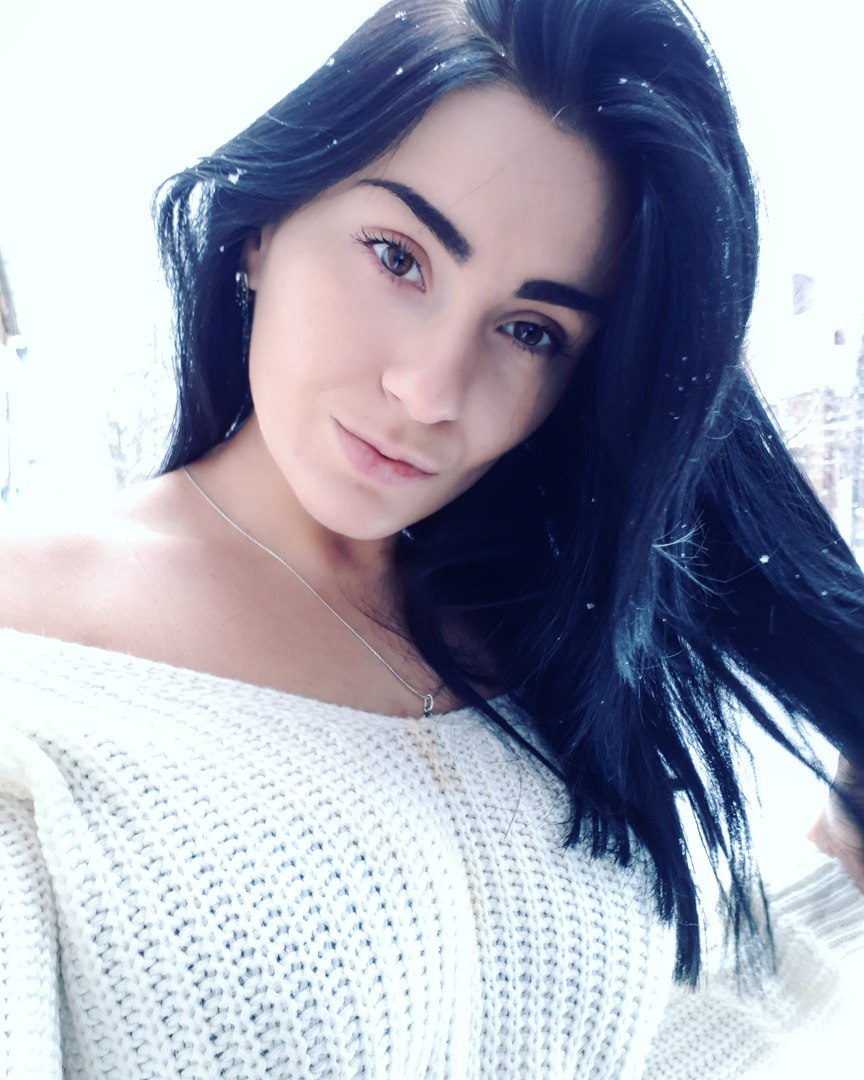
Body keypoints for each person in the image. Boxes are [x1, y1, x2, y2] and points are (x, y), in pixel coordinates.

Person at [1, 0, 863, 1075]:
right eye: (397, 256)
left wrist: (844, 860)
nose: (430, 391)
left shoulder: (523, 643)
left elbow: (588, 1051)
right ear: (263, 227)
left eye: (529, 331)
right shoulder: (33, 656)